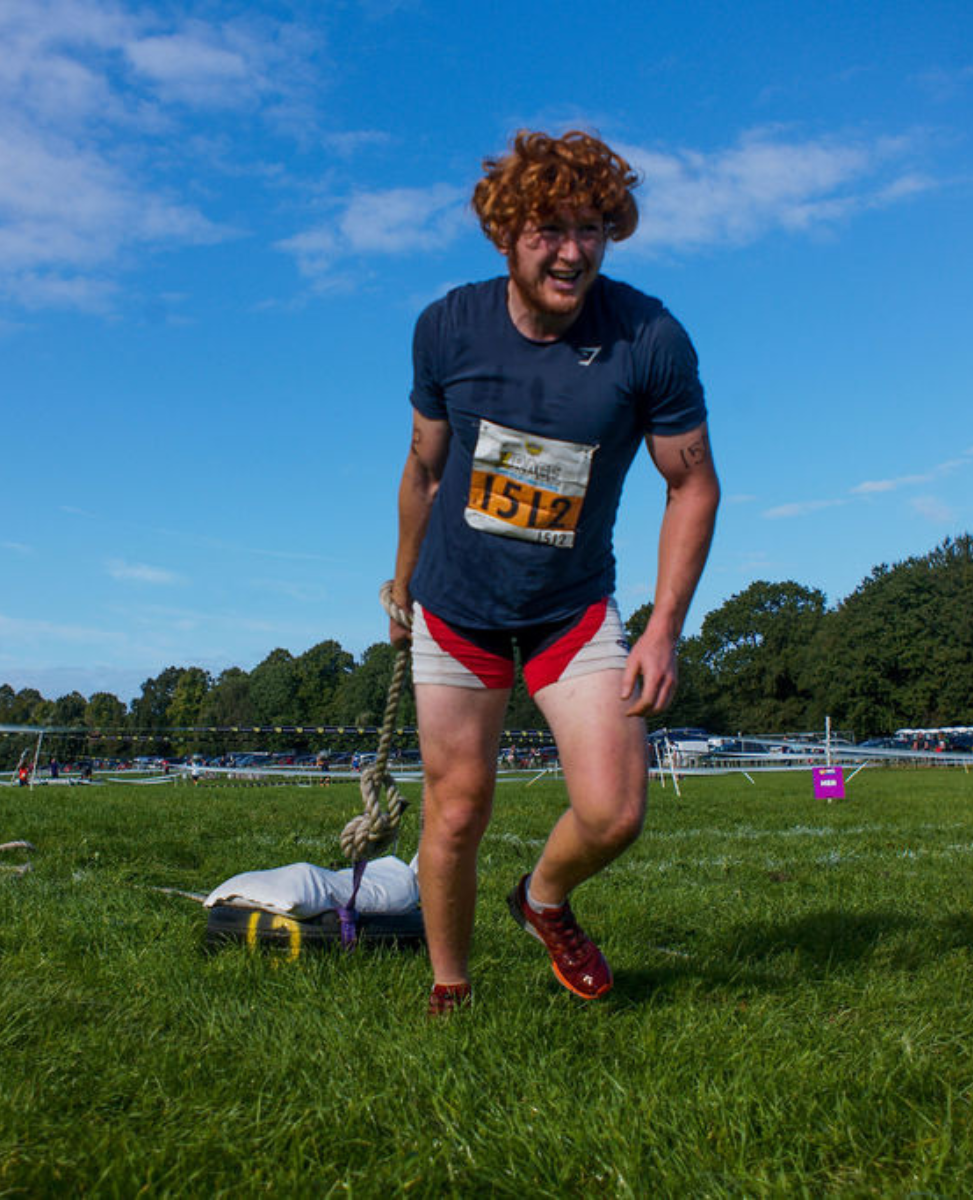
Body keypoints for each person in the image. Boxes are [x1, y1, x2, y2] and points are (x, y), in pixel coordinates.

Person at [390, 131, 720, 1015]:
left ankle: (541, 901)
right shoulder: (447, 328)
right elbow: (423, 469)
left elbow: (691, 484)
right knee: (456, 813)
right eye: (549, 230)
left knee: (615, 811)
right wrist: (401, 580)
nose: (573, 252)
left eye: (591, 229)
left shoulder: (649, 336)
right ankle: (451, 988)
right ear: (506, 234)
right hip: (458, 609)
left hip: (570, 610)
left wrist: (663, 627)